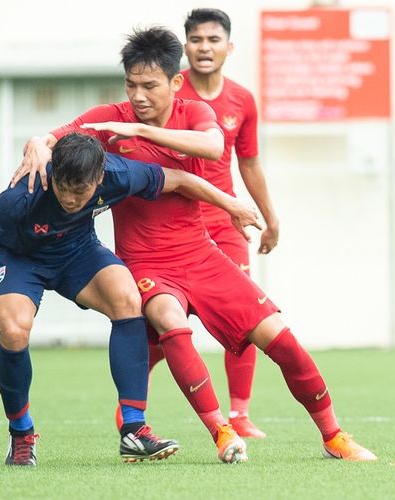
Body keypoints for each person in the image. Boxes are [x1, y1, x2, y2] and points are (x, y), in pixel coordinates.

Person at [15, 27, 377, 463]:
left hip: (202, 255)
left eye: (149, 85)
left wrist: (140, 132)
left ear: (175, 82)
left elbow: (212, 146)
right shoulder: (107, 118)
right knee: (169, 320)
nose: (138, 95)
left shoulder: (193, 113)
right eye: (131, 84)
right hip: (146, 263)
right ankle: (221, 431)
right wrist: (37, 144)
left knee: (281, 340)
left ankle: (333, 435)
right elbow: (53, 138)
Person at [0, 132, 262, 466]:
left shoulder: (118, 174)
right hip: (20, 260)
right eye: (63, 189)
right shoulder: (23, 194)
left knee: (129, 298)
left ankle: (133, 429)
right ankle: (21, 433)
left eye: (80, 192)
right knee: (14, 330)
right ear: (54, 177)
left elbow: (180, 179)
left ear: (99, 178)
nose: (70, 199)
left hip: (76, 253)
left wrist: (231, 204)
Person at [141, 7, 280, 440]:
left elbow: (250, 163)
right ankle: (131, 407)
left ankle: (239, 414)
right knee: (162, 326)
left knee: (245, 313)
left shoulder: (241, 100)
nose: (204, 48)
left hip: (223, 224)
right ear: (186, 46)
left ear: (228, 47)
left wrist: (270, 218)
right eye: (197, 40)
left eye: (213, 40)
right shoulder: (165, 89)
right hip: (173, 226)